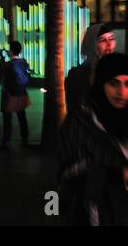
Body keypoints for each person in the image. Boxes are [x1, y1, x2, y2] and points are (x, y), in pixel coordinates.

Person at [58, 53, 128, 226]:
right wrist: (118, 170)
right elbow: (64, 174)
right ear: (100, 83)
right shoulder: (79, 122)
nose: (122, 93)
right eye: (113, 83)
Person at [65, 23, 116, 115]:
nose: (109, 44)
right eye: (102, 40)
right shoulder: (77, 74)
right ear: (92, 44)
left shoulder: (118, 69)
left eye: (111, 39)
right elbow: (74, 108)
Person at [0, 41, 30, 150]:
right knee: (22, 117)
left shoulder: (8, 64)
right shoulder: (24, 62)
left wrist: (1, 59)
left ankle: (6, 142)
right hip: (21, 93)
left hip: (10, 95)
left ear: (11, 50)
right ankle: (24, 139)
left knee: (7, 119)